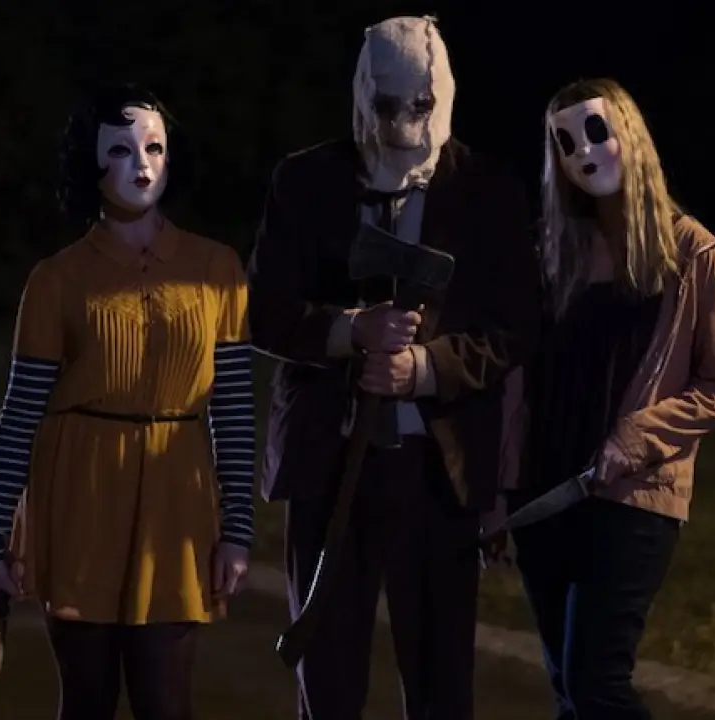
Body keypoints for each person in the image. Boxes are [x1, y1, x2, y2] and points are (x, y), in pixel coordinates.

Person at [246, 15, 539, 720]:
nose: (404, 125)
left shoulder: (486, 191)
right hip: (330, 463)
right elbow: (265, 311)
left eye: (421, 106)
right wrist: (349, 331)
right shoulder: (306, 182)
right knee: (328, 675)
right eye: (387, 106)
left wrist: (424, 369)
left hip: (436, 471)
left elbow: (513, 327)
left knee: (441, 678)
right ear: (362, 94)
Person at [0, 83, 255, 720]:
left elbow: (234, 408)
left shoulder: (217, 268)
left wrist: (237, 527)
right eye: (120, 150)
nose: (141, 164)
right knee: (87, 700)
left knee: (167, 701)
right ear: (90, 164)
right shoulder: (57, 279)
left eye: (154, 147)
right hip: (82, 493)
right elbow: (20, 413)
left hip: (177, 499)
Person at [501, 77, 715, 719]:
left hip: (629, 495)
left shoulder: (691, 253)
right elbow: (518, 377)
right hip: (545, 492)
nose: (584, 153)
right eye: (565, 143)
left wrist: (635, 439)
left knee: (597, 685)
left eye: (596, 130)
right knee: (569, 691)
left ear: (630, 135)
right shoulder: (549, 253)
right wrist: (502, 485)